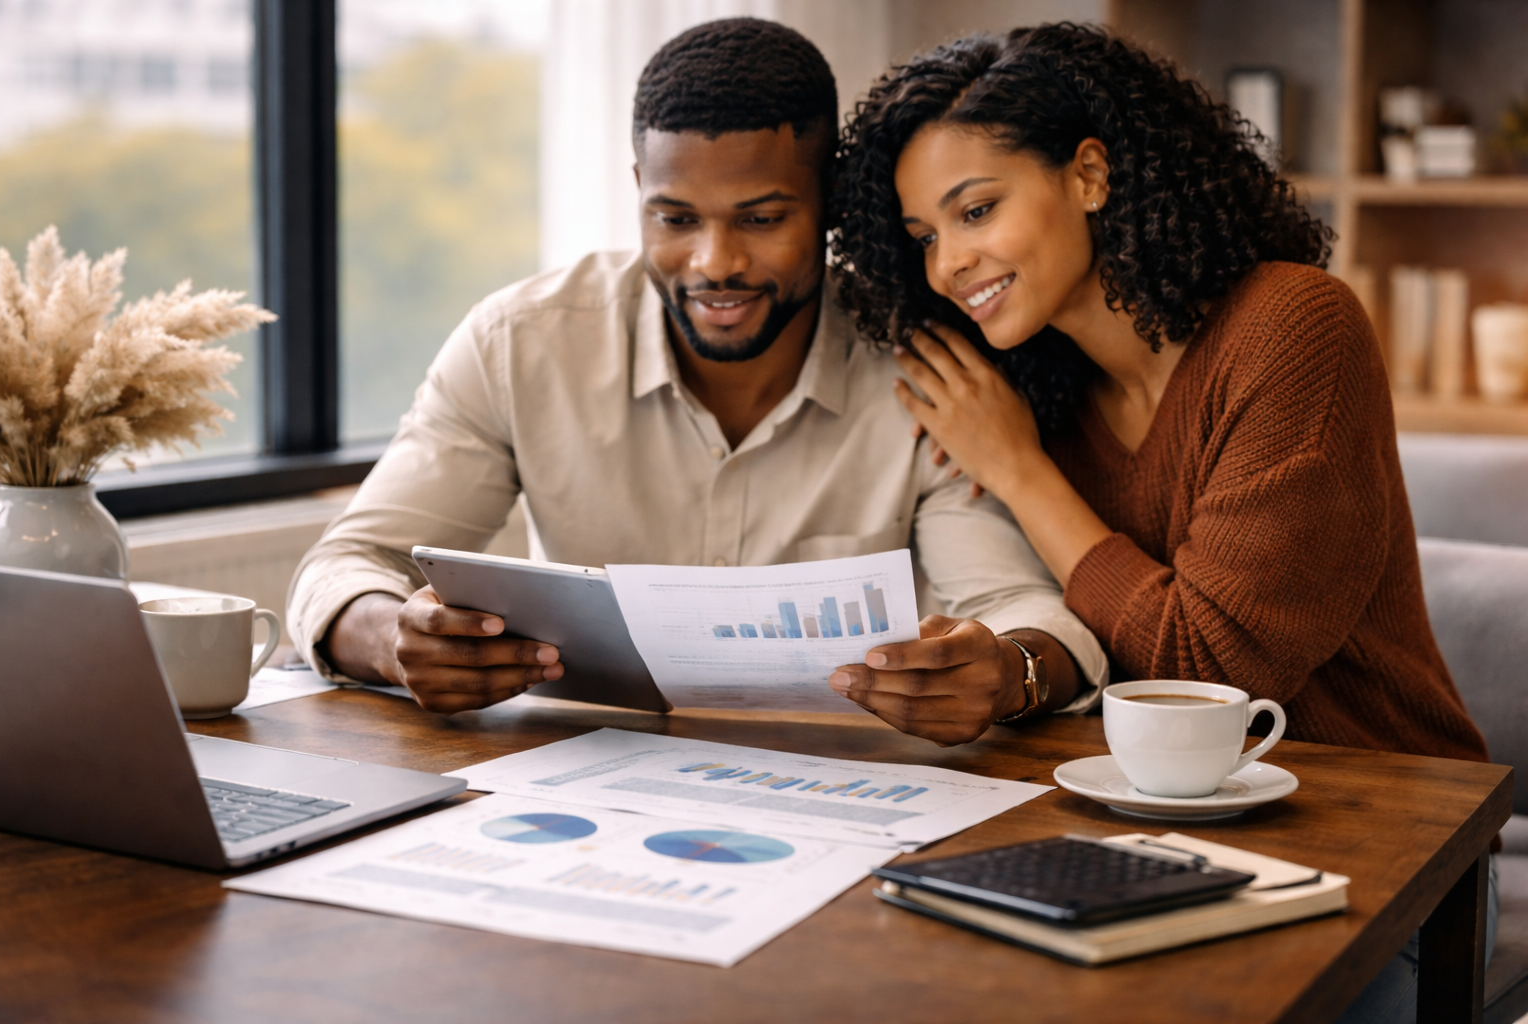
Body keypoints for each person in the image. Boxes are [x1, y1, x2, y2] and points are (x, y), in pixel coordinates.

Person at [827, 23, 1492, 1021]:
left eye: (976, 210)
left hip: (1379, 847)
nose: (949, 265)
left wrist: (1019, 468)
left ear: (1090, 174)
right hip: (1157, 838)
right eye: (925, 236)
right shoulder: (1043, 391)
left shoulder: (1294, 329)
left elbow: (1212, 670)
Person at [287, 17, 1109, 746]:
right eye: (675, 219)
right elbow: (348, 565)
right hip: (583, 790)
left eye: (761, 218)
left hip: (838, 792)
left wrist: (1007, 673)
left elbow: (1024, 611)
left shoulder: (923, 366)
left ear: (828, 205)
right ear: (638, 190)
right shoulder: (519, 345)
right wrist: (393, 638)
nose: (714, 263)